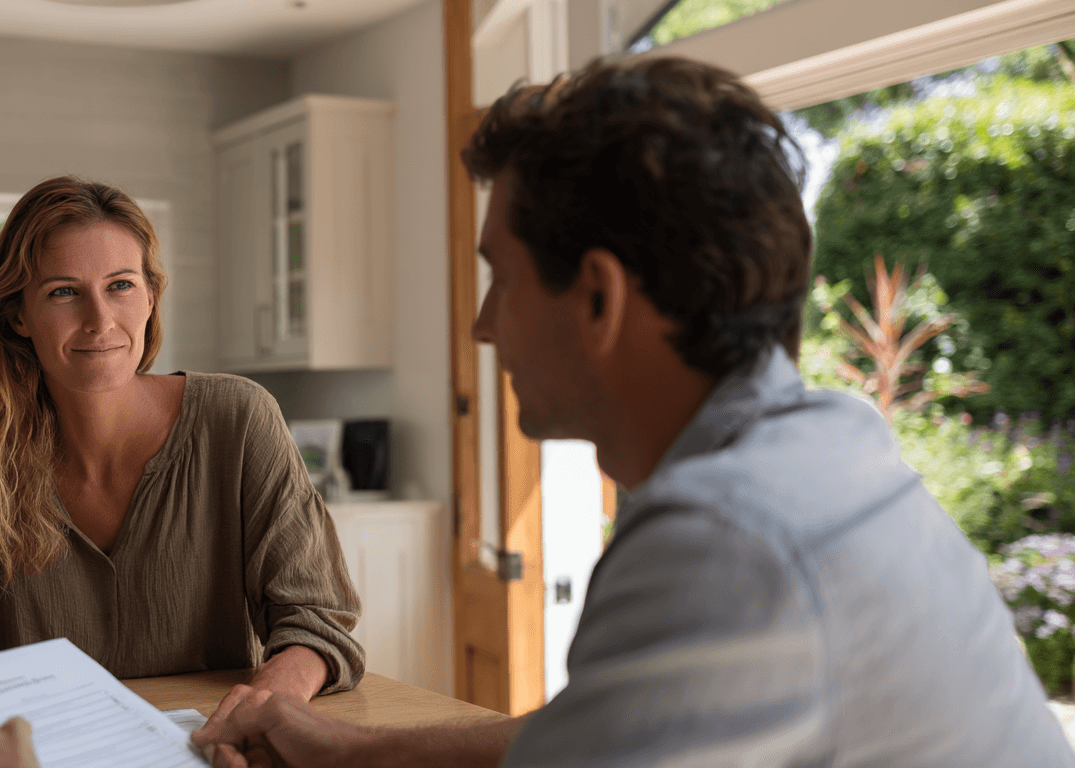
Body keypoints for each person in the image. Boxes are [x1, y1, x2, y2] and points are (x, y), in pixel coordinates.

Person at [186, 55, 1075, 766]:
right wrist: (356, 751)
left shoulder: (722, 537)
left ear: (599, 300)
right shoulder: (831, 445)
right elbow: (592, 732)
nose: (482, 323)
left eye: (503, 277)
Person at [0, 176, 365, 744]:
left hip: (206, 754)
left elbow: (317, 621)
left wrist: (261, 707)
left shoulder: (238, 419)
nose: (99, 320)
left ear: (150, 297)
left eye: (120, 285)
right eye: (64, 292)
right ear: (18, 314)